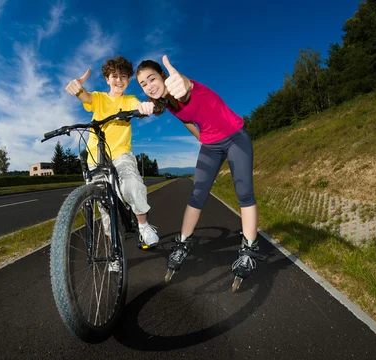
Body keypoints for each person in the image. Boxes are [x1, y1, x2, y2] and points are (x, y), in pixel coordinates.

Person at [135, 55, 266, 280]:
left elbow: (185, 87)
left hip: (235, 137)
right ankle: (183, 243)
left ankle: (248, 250)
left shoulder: (181, 87)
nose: (149, 86)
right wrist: (201, 139)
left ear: (163, 76)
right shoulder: (168, 106)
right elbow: (187, 120)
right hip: (211, 145)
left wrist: (182, 81)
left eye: (152, 78)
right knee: (197, 195)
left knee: (244, 192)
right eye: (143, 84)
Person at [65, 55, 159, 252]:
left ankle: (143, 225)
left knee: (132, 183)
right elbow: (86, 97)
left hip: (120, 154)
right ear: (107, 79)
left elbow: (138, 107)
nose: (119, 80)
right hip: (96, 157)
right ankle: (113, 253)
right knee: (105, 209)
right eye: (114, 76)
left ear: (128, 80)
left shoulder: (129, 99)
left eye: (123, 76)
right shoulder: (99, 98)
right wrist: (77, 89)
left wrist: (145, 106)